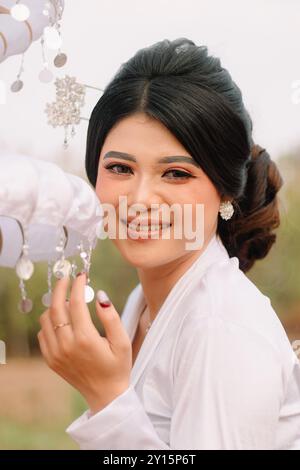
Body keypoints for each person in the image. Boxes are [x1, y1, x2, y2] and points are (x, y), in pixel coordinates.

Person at [38, 38, 300, 450]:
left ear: (226, 191)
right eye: (120, 168)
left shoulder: (221, 327)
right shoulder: (142, 303)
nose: (139, 201)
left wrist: (107, 399)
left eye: (176, 173)